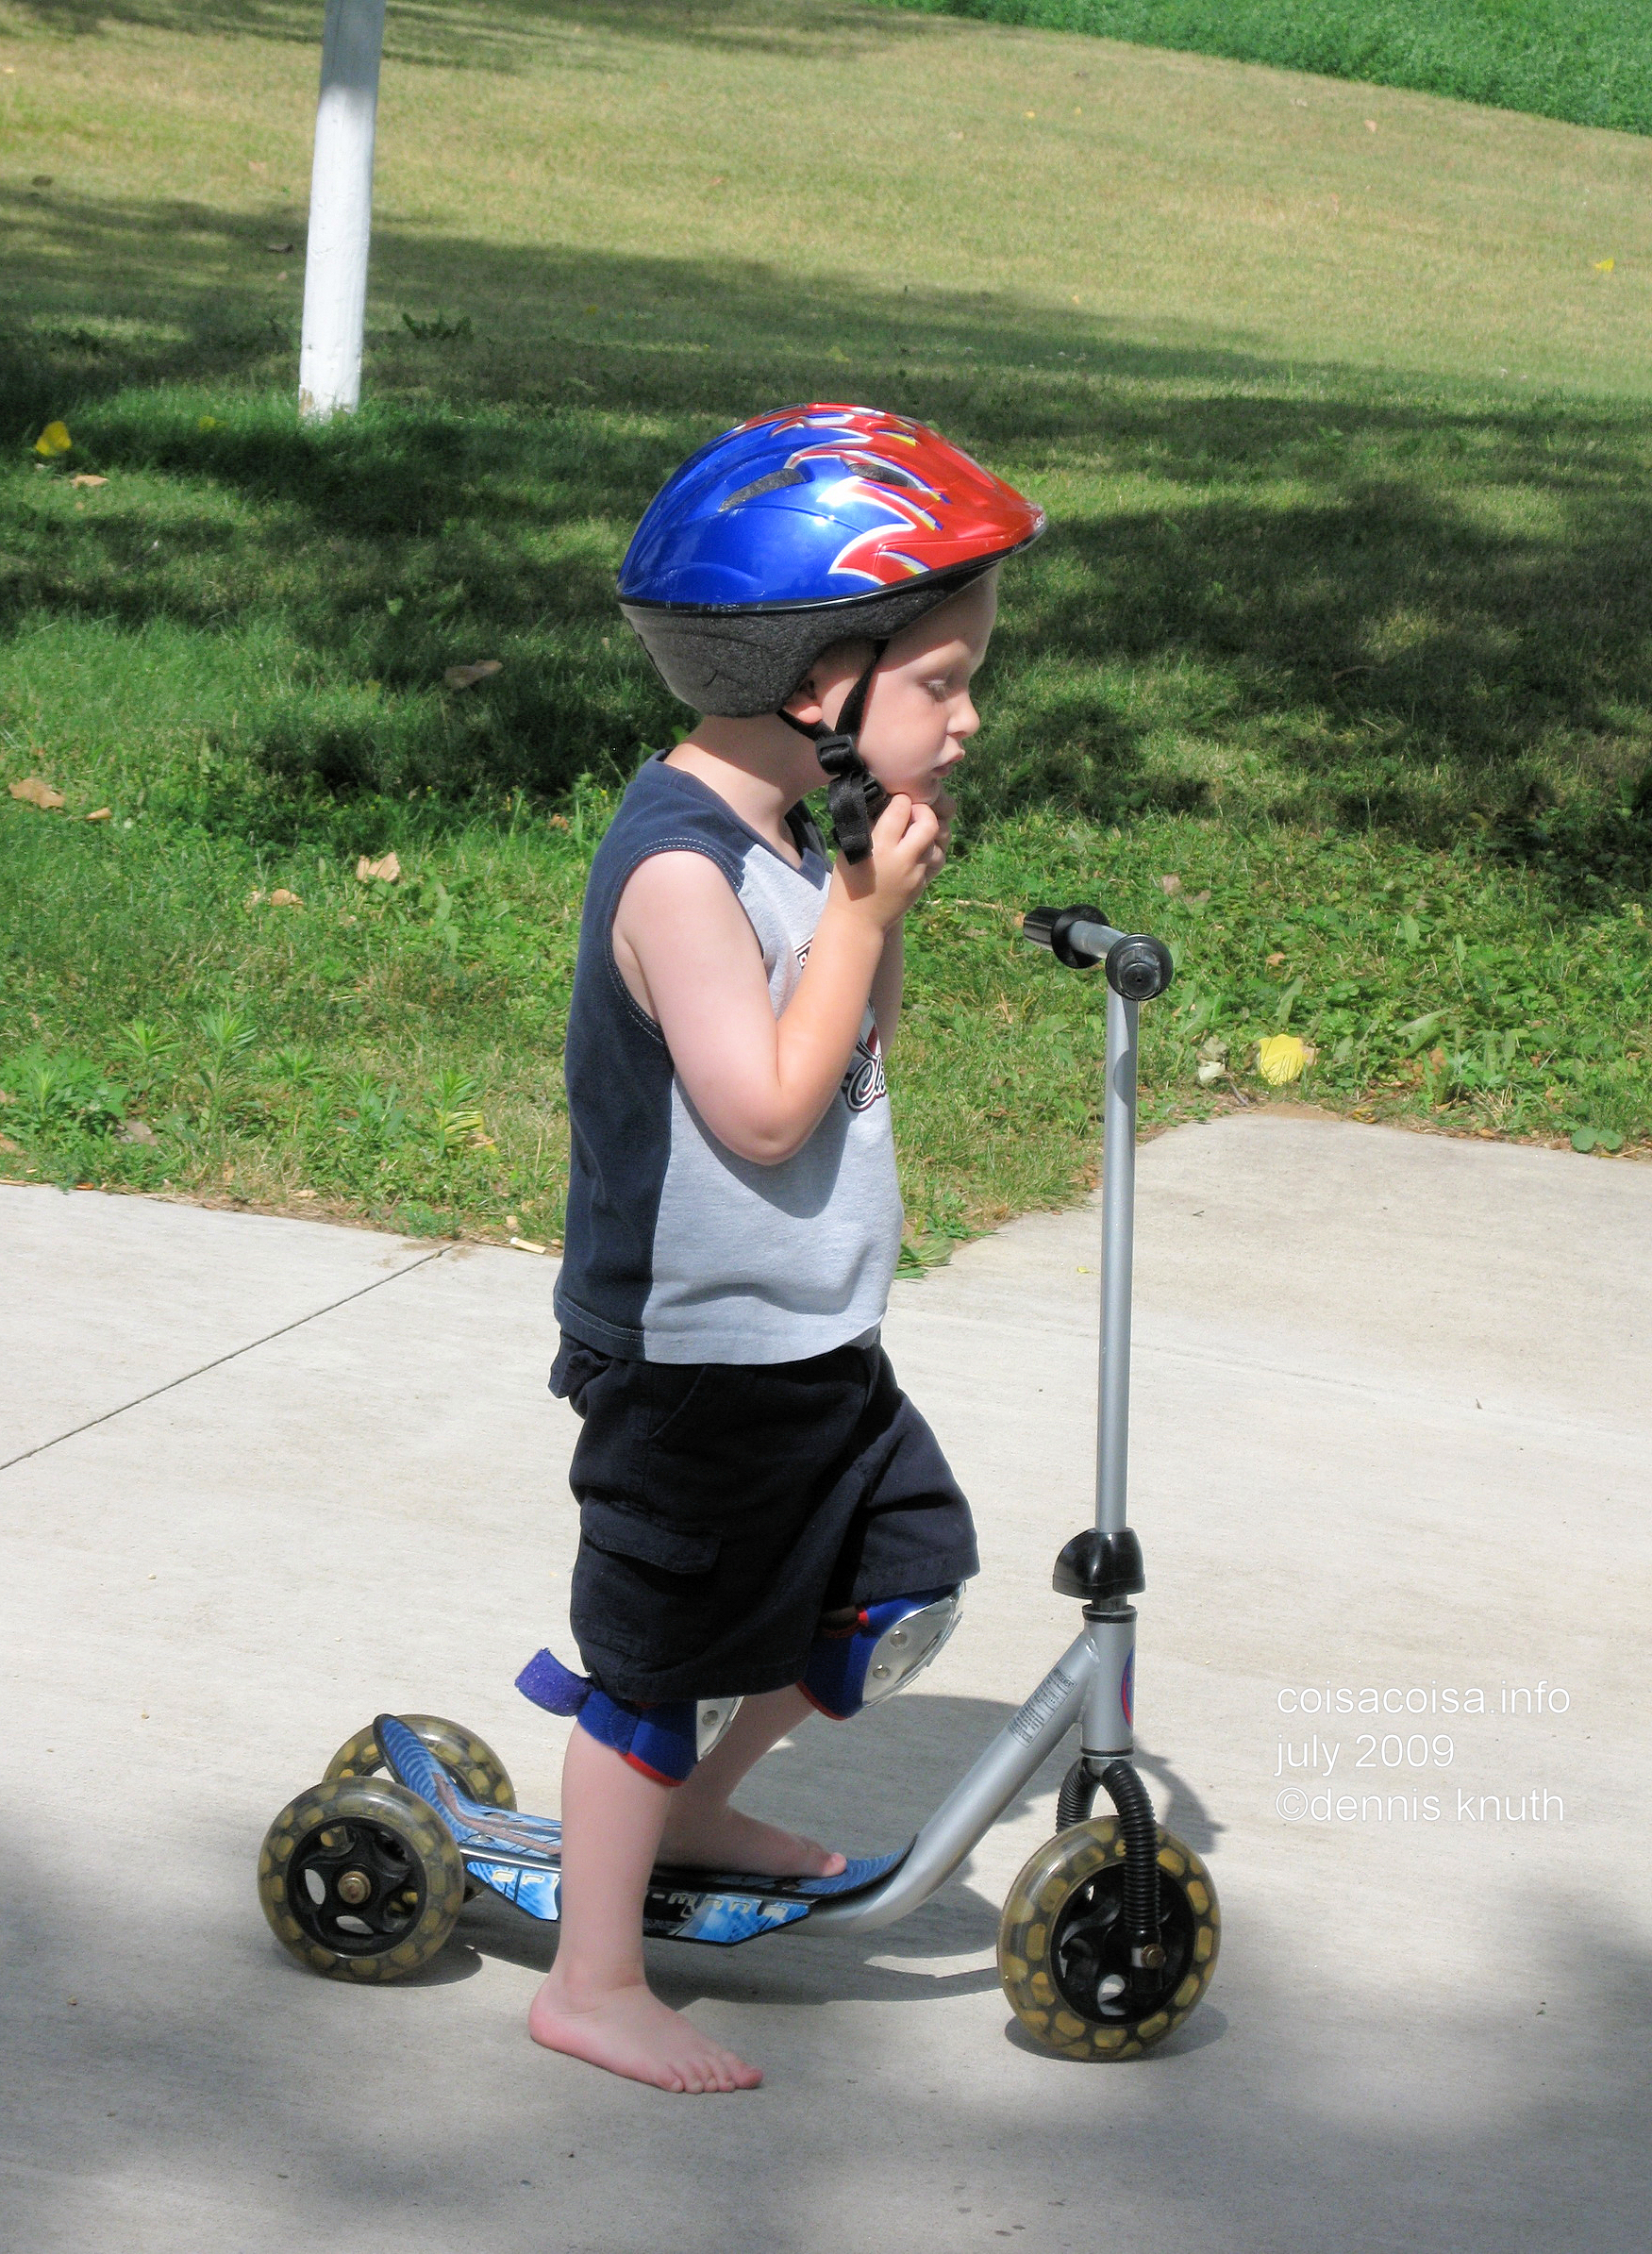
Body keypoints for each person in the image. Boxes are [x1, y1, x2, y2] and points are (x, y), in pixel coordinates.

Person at [523, 404, 1043, 2093]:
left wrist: (864, 908)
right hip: (694, 1358)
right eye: (942, 681)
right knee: (656, 1659)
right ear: (822, 684)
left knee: (900, 1583)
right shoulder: (677, 869)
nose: (968, 720)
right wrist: (868, 916)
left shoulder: (789, 840)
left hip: (809, 1334)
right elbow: (761, 1111)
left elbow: (859, 1044)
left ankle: (690, 1809)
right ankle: (593, 1977)